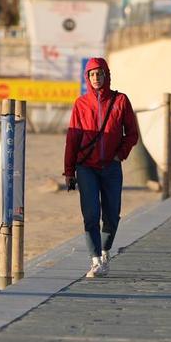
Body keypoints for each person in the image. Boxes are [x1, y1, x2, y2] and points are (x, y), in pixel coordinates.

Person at [64, 57, 139, 278]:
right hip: (86, 167)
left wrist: (120, 154)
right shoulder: (80, 104)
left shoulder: (121, 101)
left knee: (112, 215)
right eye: (92, 74)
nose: (96, 78)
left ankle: (105, 251)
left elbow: (132, 133)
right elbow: (72, 139)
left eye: (100, 73)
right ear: (87, 78)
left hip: (111, 168)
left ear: (107, 75)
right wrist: (69, 171)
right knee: (90, 214)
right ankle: (96, 260)